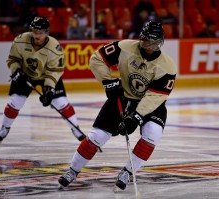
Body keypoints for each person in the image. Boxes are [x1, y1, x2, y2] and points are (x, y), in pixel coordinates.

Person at [58, 21, 177, 191]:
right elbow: (97, 58)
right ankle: (72, 170)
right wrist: (108, 82)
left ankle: (128, 172)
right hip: (122, 97)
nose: (149, 46)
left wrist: (136, 116)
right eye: (146, 41)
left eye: (154, 43)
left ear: (160, 43)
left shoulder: (167, 66)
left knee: (153, 134)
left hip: (152, 105)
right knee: (96, 136)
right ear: (140, 38)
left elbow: (156, 96)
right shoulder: (125, 47)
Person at [0, 16, 86, 145]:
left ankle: (76, 128)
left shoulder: (54, 46)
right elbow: (12, 59)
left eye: (40, 33)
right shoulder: (20, 41)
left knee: (61, 102)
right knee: (15, 101)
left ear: (47, 32)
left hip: (47, 76)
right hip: (25, 74)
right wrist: (16, 71)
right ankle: (4, 128)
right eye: (34, 31)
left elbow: (55, 70)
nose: (36, 35)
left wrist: (49, 88)